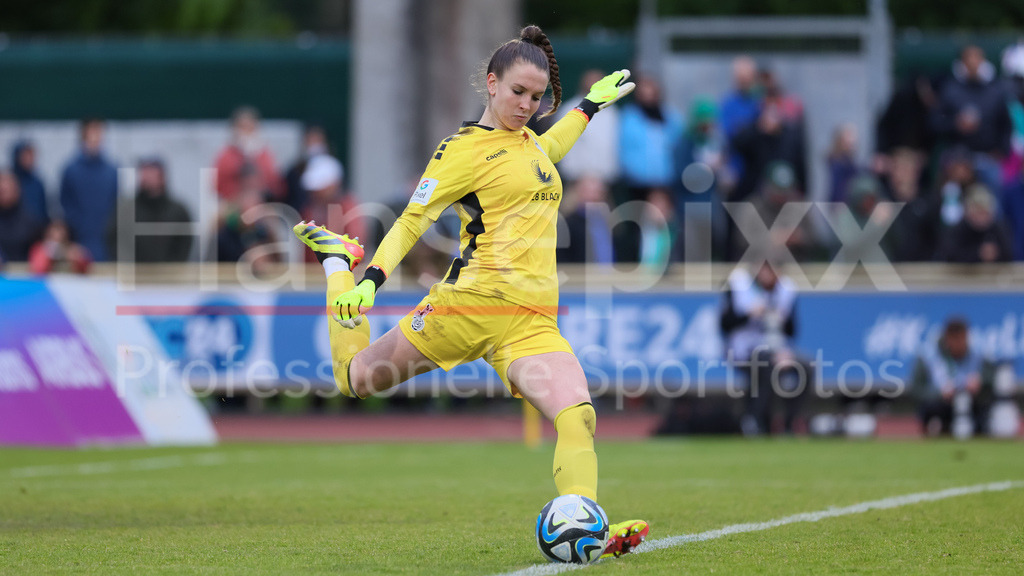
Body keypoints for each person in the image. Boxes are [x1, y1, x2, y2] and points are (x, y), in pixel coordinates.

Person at [292, 26, 648, 559]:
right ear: (491, 83)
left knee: (578, 414)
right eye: (517, 93)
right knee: (355, 378)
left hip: (532, 322)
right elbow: (413, 221)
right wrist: (368, 281)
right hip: (467, 307)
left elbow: (545, 152)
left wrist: (587, 109)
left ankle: (585, 525)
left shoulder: (529, 144)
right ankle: (337, 264)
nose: (527, 106)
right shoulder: (460, 150)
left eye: (536, 97)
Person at [720, 261, 810, 436]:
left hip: (777, 349)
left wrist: (782, 324)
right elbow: (725, 324)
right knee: (766, 364)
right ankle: (754, 419)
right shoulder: (740, 286)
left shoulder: (786, 290)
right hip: (744, 351)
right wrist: (749, 314)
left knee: (807, 366)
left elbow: (792, 331)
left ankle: (790, 423)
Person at [911, 317, 992, 436]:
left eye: (963, 339)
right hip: (941, 407)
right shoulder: (929, 357)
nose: (960, 344)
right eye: (956, 339)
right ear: (947, 339)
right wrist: (939, 393)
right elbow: (916, 389)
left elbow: (992, 378)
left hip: (971, 406)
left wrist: (980, 382)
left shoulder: (978, 357)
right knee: (932, 409)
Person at [107, 157, 193, 263]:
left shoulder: (178, 212)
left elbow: (185, 244)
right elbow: (113, 239)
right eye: (144, 171)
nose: (147, 176)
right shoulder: (125, 210)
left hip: (169, 276)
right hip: (133, 274)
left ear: (162, 176)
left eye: (151, 171)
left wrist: (172, 267)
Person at [59, 118, 118, 262]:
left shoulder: (111, 171)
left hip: (106, 244)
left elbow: (116, 205)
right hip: (79, 244)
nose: (95, 138)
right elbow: (65, 205)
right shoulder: (71, 170)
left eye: (98, 133)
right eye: (91, 133)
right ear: (83, 136)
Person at [555, 70, 621, 186]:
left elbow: (614, 145)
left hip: (605, 180)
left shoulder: (612, 112)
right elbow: (561, 141)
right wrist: (573, 172)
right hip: (575, 178)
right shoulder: (569, 109)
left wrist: (608, 173)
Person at [214, 106, 285, 202]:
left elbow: (274, 183)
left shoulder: (265, 154)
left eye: (250, 127)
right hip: (233, 204)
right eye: (242, 127)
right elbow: (218, 183)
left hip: (261, 204)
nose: (246, 131)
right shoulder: (226, 154)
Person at [935, 184, 1014, 263]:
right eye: (978, 213)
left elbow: (1010, 253)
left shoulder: (998, 228)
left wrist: (995, 253)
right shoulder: (959, 229)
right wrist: (978, 253)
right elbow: (950, 255)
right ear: (968, 213)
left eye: (984, 213)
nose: (981, 218)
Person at [557, 175, 615, 265]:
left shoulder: (610, 223)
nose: (593, 197)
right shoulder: (568, 224)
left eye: (598, 192)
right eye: (588, 192)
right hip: (578, 276)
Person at [0, 169, 43, 261]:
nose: (4, 193)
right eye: (2, 190)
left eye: (7, 189)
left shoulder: (31, 222)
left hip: (23, 272)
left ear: (17, 190)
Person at [11, 140, 49, 224]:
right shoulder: (10, 181)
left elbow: (43, 209)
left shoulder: (37, 182)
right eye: (25, 156)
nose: (29, 159)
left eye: (31, 156)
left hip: (35, 228)